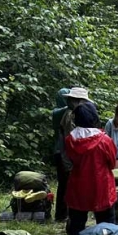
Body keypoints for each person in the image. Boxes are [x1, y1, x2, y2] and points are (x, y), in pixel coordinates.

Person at [64, 103, 118, 235]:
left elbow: (70, 159)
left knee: (76, 226)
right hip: (101, 187)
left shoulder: (70, 140)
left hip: (78, 187)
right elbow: (112, 162)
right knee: (107, 225)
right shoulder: (104, 140)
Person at [51, 87, 71, 222]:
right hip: (61, 151)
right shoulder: (58, 112)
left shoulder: (66, 112)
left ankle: (66, 212)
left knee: (67, 183)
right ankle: (61, 214)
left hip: (64, 150)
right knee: (64, 183)